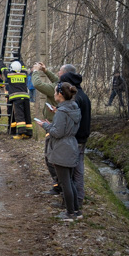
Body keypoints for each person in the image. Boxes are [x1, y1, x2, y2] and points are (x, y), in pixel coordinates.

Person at [32, 63, 91, 205]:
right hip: (79, 138)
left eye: (60, 74)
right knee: (73, 173)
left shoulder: (72, 100)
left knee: (72, 175)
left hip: (72, 140)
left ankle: (73, 205)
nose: (58, 76)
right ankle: (74, 203)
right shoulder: (80, 95)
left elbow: (38, 84)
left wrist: (47, 125)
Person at [36, 82, 82, 221]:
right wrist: (54, 123)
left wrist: (45, 125)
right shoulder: (74, 108)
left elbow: (57, 133)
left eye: (55, 92)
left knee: (65, 183)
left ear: (60, 94)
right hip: (71, 146)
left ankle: (69, 213)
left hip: (62, 149)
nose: (54, 94)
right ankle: (76, 211)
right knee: (71, 181)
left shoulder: (62, 112)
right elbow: (65, 127)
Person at [4, 60, 32, 139]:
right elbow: (24, 68)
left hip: (16, 98)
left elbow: (3, 69)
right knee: (27, 115)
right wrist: (20, 59)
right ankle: (29, 133)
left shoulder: (9, 75)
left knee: (19, 115)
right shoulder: (24, 74)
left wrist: (0, 60)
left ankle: (21, 133)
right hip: (25, 97)